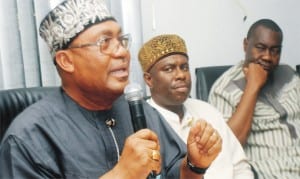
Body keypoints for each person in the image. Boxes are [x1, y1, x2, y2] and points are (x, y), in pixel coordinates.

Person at [0, 0, 222, 178]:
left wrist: (194, 166)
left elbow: (174, 173)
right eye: (104, 42)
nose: (122, 53)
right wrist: (122, 175)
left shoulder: (141, 111)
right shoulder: (28, 138)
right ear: (66, 61)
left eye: (121, 40)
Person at [138, 34, 254, 179]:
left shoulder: (207, 111)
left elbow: (240, 167)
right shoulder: (142, 125)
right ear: (149, 79)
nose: (181, 75)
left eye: (184, 67)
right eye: (169, 69)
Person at [208, 19, 300, 178]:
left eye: (275, 50)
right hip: (273, 171)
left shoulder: (289, 75)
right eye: (261, 48)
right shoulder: (223, 90)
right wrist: (253, 86)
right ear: (245, 45)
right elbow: (227, 147)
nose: (268, 57)